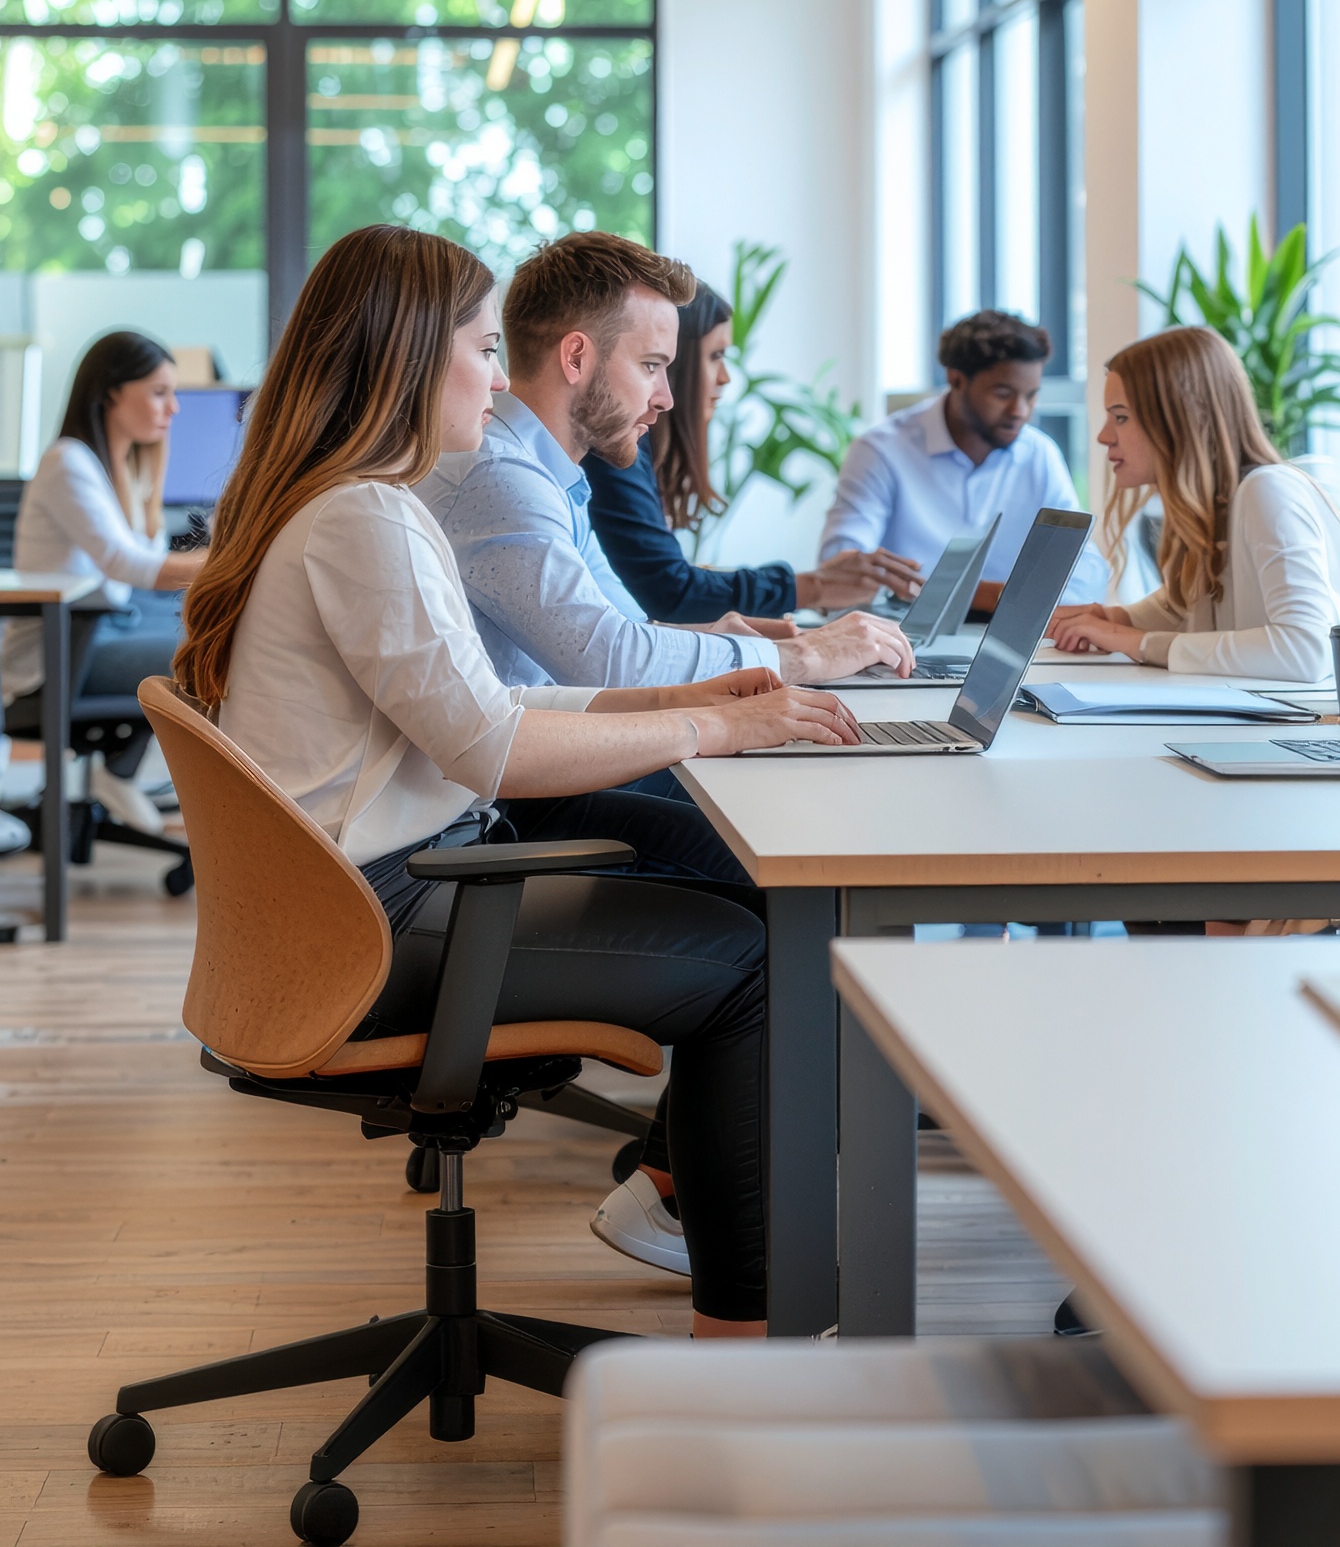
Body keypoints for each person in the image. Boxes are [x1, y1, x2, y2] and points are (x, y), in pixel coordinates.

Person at [175, 224, 861, 1340]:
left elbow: (490, 710)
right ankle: (749, 1339)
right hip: (376, 920)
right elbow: (490, 749)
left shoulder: (355, 504)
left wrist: (682, 711)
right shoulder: (366, 518)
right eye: (485, 350)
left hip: (363, 896)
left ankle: (737, 1283)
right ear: (407, 357)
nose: (500, 380)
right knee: (761, 961)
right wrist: (709, 726)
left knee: (754, 921)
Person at [419, 231, 915, 693]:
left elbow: (629, 629)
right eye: (651, 366)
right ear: (575, 358)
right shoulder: (500, 478)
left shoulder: (551, 475)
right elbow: (611, 662)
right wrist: (803, 654)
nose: (666, 399)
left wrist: (746, 642)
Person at [1050, 324, 1340, 681]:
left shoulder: (1267, 490)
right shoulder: (1216, 505)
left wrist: (1137, 641)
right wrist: (1119, 620)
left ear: (1181, 418)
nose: (1103, 436)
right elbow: (1189, 603)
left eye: (1121, 417)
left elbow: (1306, 651)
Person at [583, 277, 922, 629]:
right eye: (715, 356)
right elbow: (670, 590)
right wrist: (813, 588)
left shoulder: (641, 453)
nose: (726, 377)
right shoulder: (616, 452)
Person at [0, 332, 210, 837]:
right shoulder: (67, 463)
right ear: (112, 392)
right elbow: (128, 564)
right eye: (159, 392)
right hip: (60, 655)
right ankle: (123, 776)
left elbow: (148, 554)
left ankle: (117, 773)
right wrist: (237, 560)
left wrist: (153, 471)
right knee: (207, 650)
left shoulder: (114, 468)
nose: (174, 408)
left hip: (98, 636)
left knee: (202, 636)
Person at [819, 307, 1108, 599]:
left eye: (1031, 395)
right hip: (901, 633)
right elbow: (840, 566)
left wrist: (979, 598)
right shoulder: (881, 451)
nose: (1020, 411)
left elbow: (1085, 569)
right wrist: (989, 597)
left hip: (1005, 634)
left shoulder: (1039, 454)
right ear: (956, 379)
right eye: (1003, 394)